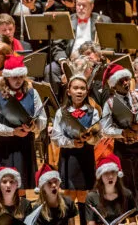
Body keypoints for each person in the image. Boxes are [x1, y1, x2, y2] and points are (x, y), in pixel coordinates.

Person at [0, 55, 47, 193]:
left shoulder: (33, 93)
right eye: (15, 77)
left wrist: (34, 126)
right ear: (7, 77)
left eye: (21, 77)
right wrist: (12, 131)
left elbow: (42, 119)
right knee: (6, 188)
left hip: (25, 146)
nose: (18, 80)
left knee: (22, 188)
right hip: (5, 148)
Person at [51, 74, 101, 225]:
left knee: (84, 193)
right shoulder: (62, 112)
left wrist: (90, 138)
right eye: (75, 88)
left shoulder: (93, 112)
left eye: (82, 88)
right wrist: (72, 142)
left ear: (87, 91)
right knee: (69, 193)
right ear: (68, 91)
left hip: (86, 156)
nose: (79, 91)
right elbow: (55, 137)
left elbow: (99, 135)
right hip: (68, 156)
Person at [48, 0, 111, 97]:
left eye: (84, 5)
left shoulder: (104, 20)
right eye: (78, 5)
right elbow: (56, 46)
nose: (80, 8)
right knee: (50, 69)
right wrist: (63, 60)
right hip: (70, 60)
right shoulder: (67, 20)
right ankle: (55, 104)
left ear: (92, 6)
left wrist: (99, 56)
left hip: (92, 60)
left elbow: (109, 44)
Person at [101, 63, 138, 202]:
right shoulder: (109, 103)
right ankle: (132, 217)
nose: (125, 83)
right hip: (123, 148)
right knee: (128, 183)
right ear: (113, 86)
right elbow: (105, 129)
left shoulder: (137, 95)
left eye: (126, 79)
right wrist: (122, 132)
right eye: (120, 81)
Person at [85, 154, 137, 224]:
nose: (110, 176)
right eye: (106, 173)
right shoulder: (91, 197)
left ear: (118, 174)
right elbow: (91, 223)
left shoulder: (127, 194)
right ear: (100, 176)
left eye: (113, 172)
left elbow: (133, 221)